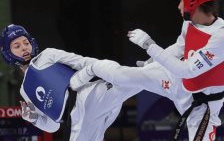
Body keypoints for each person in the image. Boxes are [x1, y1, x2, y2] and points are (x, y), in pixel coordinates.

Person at [84, 0, 224, 141]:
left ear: (193, 1)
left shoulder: (222, 37)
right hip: (176, 83)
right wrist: (152, 62)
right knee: (124, 75)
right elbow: (179, 47)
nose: (179, 6)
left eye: (181, 0)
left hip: (202, 106)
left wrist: (149, 45)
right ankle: (85, 79)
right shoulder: (189, 23)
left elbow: (187, 70)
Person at [0, 24, 145, 141]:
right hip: (76, 123)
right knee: (132, 82)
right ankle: (150, 70)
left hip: (87, 97)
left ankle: (155, 66)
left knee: (129, 83)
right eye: (17, 46)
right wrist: (33, 118)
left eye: (25, 42)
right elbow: (53, 126)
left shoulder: (47, 55)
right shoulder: (25, 91)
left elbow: (84, 62)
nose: (24, 47)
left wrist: (110, 72)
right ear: (9, 54)